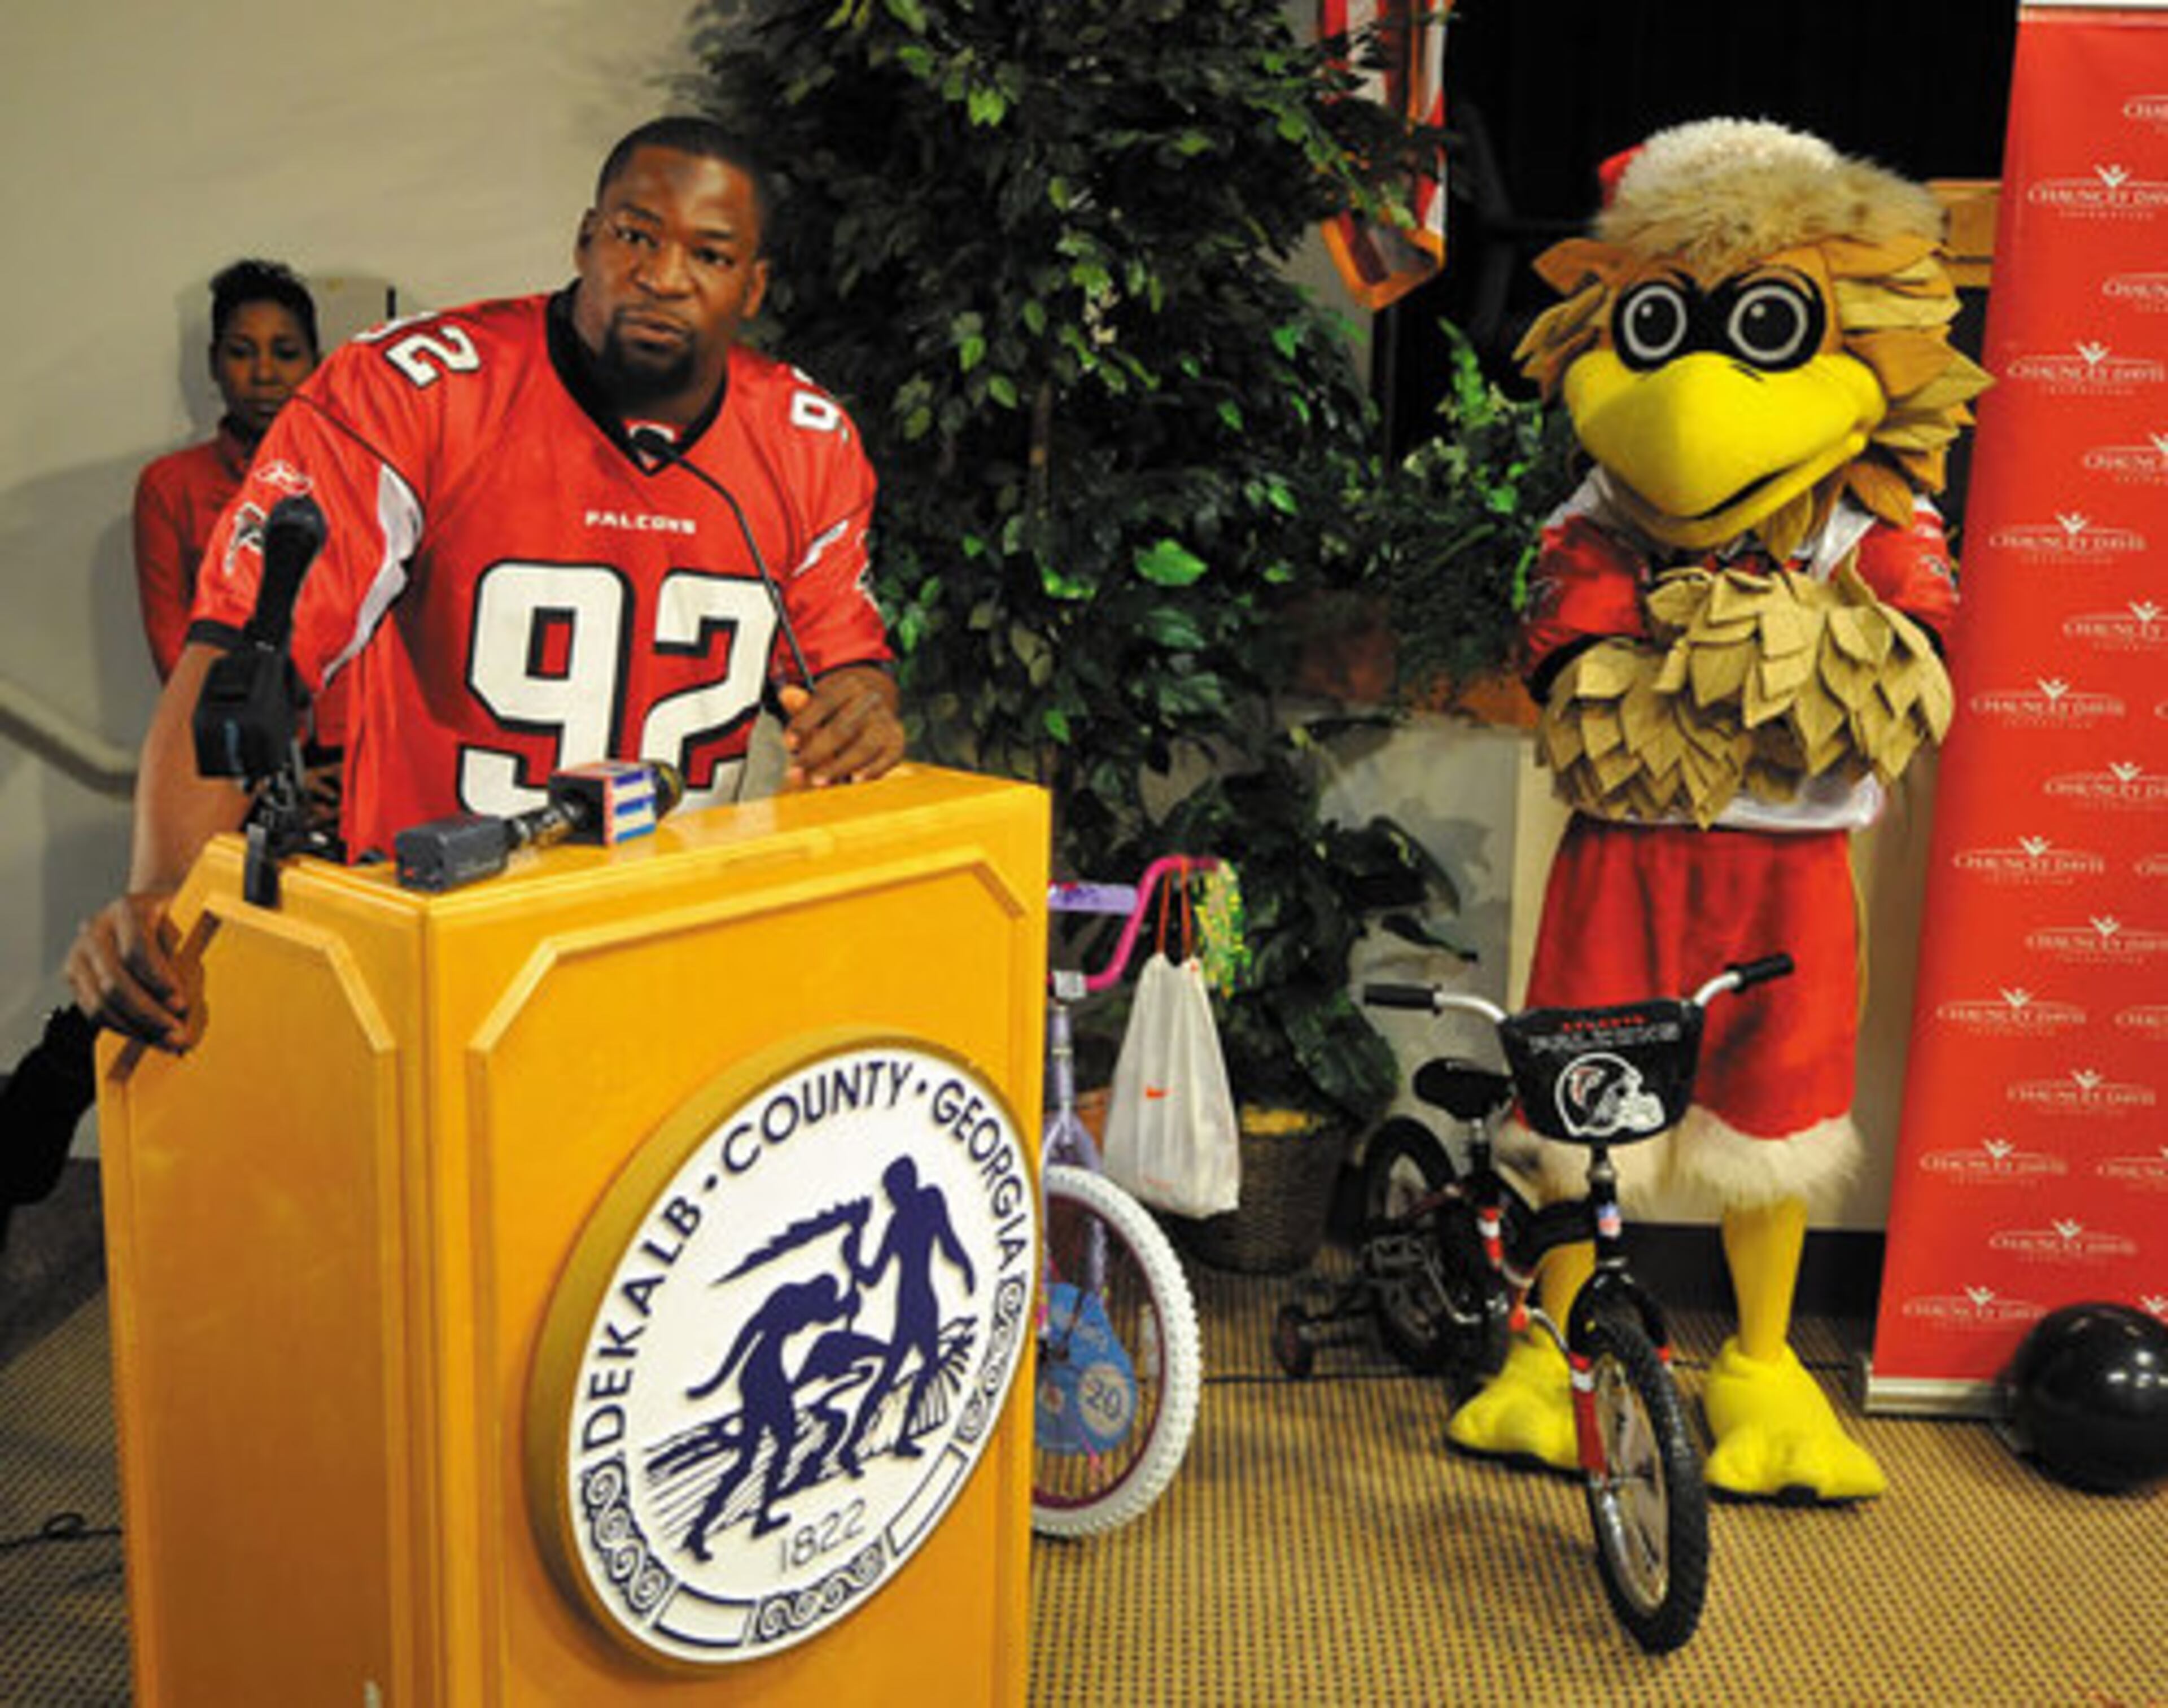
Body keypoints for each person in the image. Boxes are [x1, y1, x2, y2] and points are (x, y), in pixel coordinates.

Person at [63, 116, 906, 1054]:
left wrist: (862, 699)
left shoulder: (807, 439)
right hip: (440, 938)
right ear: (586, 238)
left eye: (708, 254)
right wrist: (167, 890)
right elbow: (239, 658)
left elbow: (844, 665)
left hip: (668, 935)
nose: (665, 275)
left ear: (752, 287)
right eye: (637, 235)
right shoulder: (416, 390)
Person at [133, 259, 321, 682]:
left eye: (286, 353)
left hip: (350, 738)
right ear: (214, 363)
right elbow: (172, 652)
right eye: (241, 353)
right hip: (224, 734)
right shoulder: (170, 486)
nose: (264, 375)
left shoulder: (358, 476)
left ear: (317, 364)